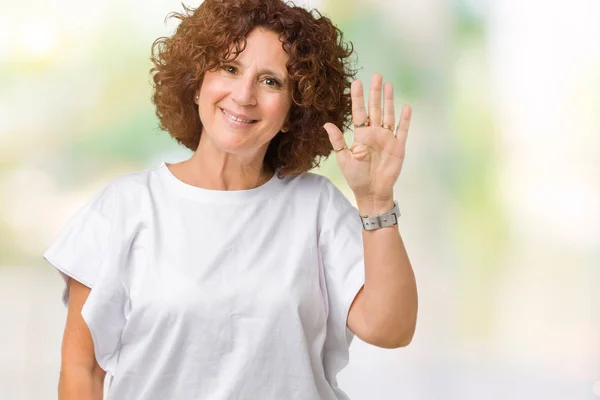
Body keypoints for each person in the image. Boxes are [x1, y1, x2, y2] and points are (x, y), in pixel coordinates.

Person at [43, 0, 418, 399]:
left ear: (295, 109)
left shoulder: (317, 208)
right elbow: (83, 372)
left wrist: (377, 201)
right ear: (198, 82)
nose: (244, 95)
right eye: (230, 68)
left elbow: (389, 329)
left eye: (271, 81)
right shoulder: (125, 208)